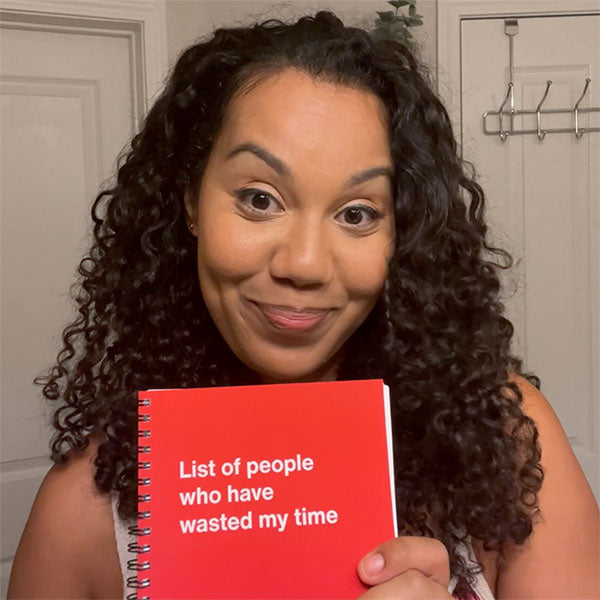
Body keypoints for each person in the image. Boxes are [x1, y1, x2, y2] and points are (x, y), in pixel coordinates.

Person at [7, 10, 599, 599]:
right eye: (259, 199)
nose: (305, 264)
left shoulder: (503, 440)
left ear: (403, 234)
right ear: (190, 200)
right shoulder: (85, 505)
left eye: (357, 213)